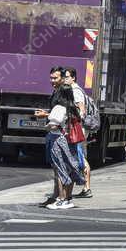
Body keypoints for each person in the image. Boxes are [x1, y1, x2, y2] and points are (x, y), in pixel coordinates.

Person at [34, 85, 85, 210]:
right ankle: (68, 198)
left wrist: (45, 124)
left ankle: (61, 199)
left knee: (59, 169)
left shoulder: (59, 108)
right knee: (70, 167)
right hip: (70, 140)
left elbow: (53, 125)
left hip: (57, 140)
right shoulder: (73, 108)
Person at [38, 67, 66, 208]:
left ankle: (62, 198)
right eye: (51, 78)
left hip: (59, 135)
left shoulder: (63, 92)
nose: (52, 81)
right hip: (54, 133)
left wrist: (46, 115)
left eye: (55, 78)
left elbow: (61, 114)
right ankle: (56, 196)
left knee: (60, 168)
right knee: (56, 167)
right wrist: (48, 113)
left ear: (62, 78)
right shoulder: (57, 91)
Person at [63, 67, 92, 199]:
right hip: (76, 128)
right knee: (79, 156)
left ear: (73, 78)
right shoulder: (72, 90)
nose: (65, 79)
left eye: (67, 77)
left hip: (78, 129)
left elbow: (82, 110)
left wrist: (75, 122)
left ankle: (87, 187)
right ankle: (85, 187)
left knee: (80, 157)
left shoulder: (76, 91)